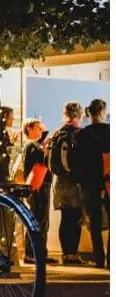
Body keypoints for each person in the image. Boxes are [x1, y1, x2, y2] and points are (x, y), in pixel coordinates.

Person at [50, 101, 86, 264]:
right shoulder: (80, 133)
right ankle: (73, 254)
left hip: (59, 181)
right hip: (75, 181)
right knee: (76, 217)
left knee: (65, 218)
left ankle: (66, 254)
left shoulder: (57, 133)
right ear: (79, 114)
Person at [15, 118, 57, 264]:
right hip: (37, 185)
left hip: (41, 184)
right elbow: (41, 159)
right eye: (38, 128)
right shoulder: (31, 145)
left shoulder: (35, 145)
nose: (41, 131)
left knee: (43, 220)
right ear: (29, 129)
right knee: (37, 219)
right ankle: (31, 253)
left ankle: (40, 253)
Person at [77, 99, 109, 268]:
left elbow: (78, 161)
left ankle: (99, 260)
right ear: (102, 112)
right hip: (109, 181)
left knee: (94, 222)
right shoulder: (110, 131)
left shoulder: (83, 134)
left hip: (89, 183)